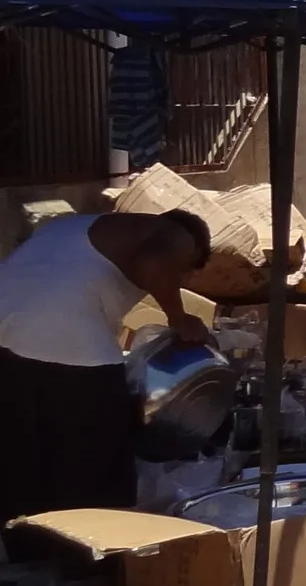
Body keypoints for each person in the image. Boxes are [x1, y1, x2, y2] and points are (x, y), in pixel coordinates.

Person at [0, 210, 213, 522]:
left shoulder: (72, 224)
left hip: (6, 329)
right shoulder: (177, 234)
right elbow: (152, 263)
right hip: (62, 331)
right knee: (96, 450)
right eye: (186, 268)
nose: (184, 277)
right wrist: (179, 319)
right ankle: (93, 543)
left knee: (24, 450)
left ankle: (26, 546)